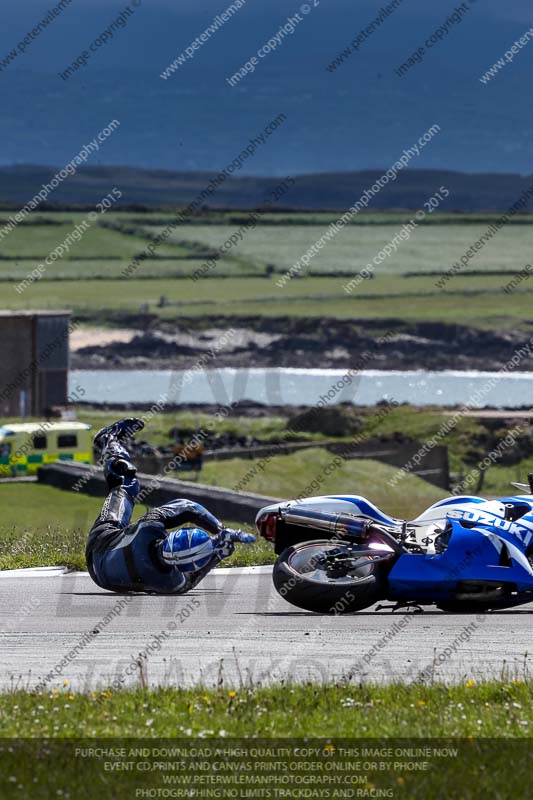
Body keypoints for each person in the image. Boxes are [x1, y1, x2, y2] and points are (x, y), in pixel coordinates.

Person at [86, 418, 255, 594]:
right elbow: (190, 580)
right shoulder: (169, 582)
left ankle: (108, 438)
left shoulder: (148, 529)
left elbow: (189, 507)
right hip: (102, 579)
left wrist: (220, 529)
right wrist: (217, 553)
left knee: (125, 480)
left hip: (101, 542)